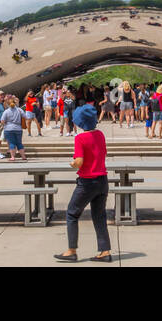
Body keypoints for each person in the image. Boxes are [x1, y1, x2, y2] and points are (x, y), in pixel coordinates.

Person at [55, 103, 111, 262]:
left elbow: (79, 161)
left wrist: (72, 164)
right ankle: (104, 251)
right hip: (102, 180)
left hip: (87, 182)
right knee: (99, 216)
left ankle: (71, 250)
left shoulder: (80, 138)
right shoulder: (100, 135)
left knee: (72, 213)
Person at [1, 95, 26, 160]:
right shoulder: (19, 110)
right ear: (15, 103)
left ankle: (13, 157)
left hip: (8, 129)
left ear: (8, 104)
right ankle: (23, 156)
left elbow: (2, 121)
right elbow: (25, 117)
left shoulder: (6, 111)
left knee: (11, 143)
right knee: (19, 143)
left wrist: (5, 124)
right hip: (18, 128)